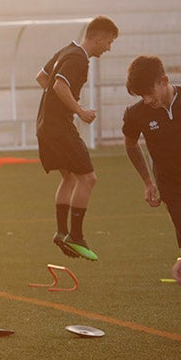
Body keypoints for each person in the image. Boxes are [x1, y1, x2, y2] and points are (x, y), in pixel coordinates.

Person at [35, 15, 118, 261]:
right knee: (89, 178)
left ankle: (62, 233)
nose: (109, 48)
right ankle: (76, 236)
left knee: (70, 178)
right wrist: (78, 110)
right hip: (59, 127)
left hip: (46, 125)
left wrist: (60, 103)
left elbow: (42, 77)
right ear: (99, 38)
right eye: (109, 42)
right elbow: (59, 86)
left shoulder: (66, 50)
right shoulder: (78, 58)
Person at [121, 55, 181, 251]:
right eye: (141, 96)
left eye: (149, 93)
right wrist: (148, 182)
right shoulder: (135, 115)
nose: (147, 100)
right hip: (176, 192)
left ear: (164, 81)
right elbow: (131, 145)